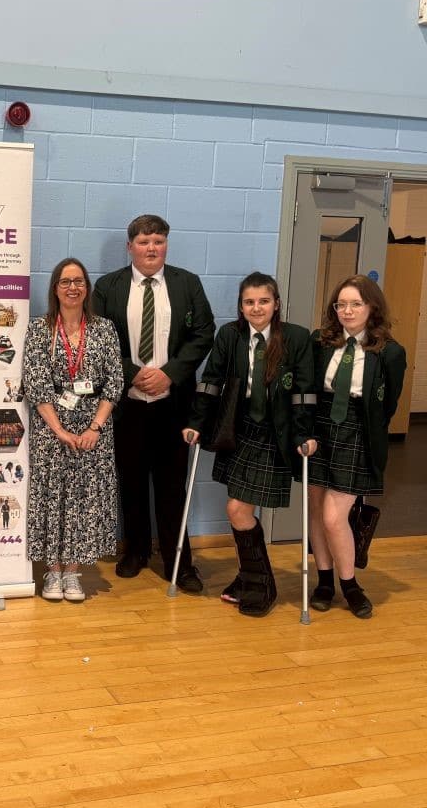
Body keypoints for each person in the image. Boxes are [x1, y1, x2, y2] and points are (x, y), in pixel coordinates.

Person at [183, 272, 318, 616]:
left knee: (237, 510)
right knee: (240, 509)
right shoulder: (230, 335)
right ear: (240, 307)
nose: (256, 308)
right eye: (249, 302)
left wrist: (304, 434)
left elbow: (304, 391)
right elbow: (210, 381)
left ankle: (260, 583)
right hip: (239, 431)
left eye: (263, 301)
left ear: (276, 304)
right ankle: (250, 576)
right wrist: (196, 423)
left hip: (274, 435)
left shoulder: (297, 338)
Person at [92, 214, 214, 592]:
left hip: (172, 402)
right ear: (130, 246)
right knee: (129, 479)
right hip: (126, 402)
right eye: (144, 242)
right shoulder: (108, 286)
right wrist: (132, 372)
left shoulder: (187, 283)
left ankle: (180, 560)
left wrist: (170, 372)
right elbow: (99, 338)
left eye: (158, 241)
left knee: (171, 484)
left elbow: (203, 332)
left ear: (166, 245)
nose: (151, 248)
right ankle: (136, 550)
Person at [22, 258, 123, 602]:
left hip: (95, 426)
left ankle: (74, 573)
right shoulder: (40, 329)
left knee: (85, 499)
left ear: (87, 288)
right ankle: (52, 572)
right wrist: (60, 430)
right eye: (65, 282)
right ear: (55, 288)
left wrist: (95, 426)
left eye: (79, 281)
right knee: (53, 497)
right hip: (51, 428)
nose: (73, 288)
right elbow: (36, 385)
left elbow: (115, 383)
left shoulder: (104, 329)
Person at [307, 275, 407, 619]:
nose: (347, 311)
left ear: (372, 307)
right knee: (317, 511)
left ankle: (349, 584)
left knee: (335, 518)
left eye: (356, 304)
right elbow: (308, 388)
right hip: (319, 428)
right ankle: (323, 581)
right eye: (341, 304)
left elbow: (388, 404)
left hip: (357, 432)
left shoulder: (390, 352)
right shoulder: (320, 342)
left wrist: (366, 432)